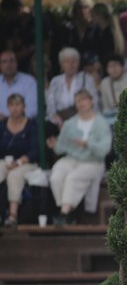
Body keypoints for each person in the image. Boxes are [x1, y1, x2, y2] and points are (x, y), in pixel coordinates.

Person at [49, 88, 111, 225]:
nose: (81, 103)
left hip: (93, 161)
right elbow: (60, 148)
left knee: (73, 178)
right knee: (56, 175)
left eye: (84, 99)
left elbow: (105, 148)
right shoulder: (70, 123)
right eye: (78, 101)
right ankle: (67, 210)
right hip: (72, 159)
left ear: (91, 101)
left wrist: (88, 144)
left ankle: (64, 213)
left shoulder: (101, 123)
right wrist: (54, 145)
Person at [0, 94, 38, 226]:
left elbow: (35, 151)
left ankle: (12, 215)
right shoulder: (2, 124)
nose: (14, 108)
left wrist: (19, 162)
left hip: (26, 162)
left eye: (17, 105)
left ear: (24, 107)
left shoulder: (31, 125)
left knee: (14, 176)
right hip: (5, 161)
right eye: (11, 105)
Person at [46, 47, 99, 128]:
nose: (71, 65)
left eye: (74, 61)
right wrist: (58, 122)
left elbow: (94, 103)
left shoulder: (87, 79)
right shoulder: (55, 81)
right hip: (60, 122)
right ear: (61, 64)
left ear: (78, 63)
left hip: (82, 120)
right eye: (67, 62)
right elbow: (51, 108)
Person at [0, 50, 37, 120]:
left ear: (16, 63)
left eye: (12, 61)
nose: (8, 64)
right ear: (0, 65)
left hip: (24, 124)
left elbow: (32, 110)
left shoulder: (29, 81)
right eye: (4, 61)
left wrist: (8, 120)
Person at [90, 2, 125, 69]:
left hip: (109, 67)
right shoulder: (98, 32)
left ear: (99, 16)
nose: (92, 18)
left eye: (93, 15)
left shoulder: (109, 34)